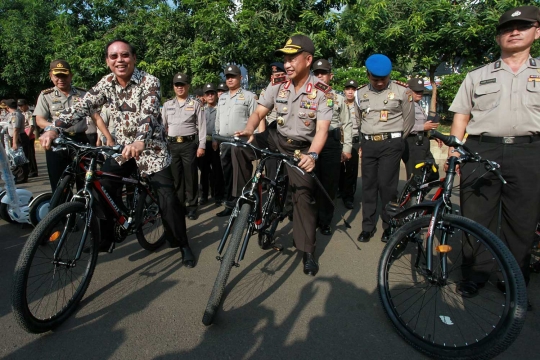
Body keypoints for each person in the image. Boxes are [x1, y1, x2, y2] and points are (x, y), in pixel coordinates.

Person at [39, 39, 196, 267]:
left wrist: (141, 141)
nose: (119, 60)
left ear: (133, 58)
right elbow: (83, 105)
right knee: (101, 189)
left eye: (124, 55)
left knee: (168, 200)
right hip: (121, 149)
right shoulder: (106, 83)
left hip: (151, 150)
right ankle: (106, 237)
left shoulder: (149, 81)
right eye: (114, 56)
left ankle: (182, 244)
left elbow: (149, 113)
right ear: (107, 61)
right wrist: (54, 128)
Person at [448, 5, 540, 302]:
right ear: (498, 37)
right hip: (481, 149)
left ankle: (512, 279)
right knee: (476, 216)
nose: (514, 32)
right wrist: (454, 152)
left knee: (522, 222)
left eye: (523, 26)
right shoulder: (477, 76)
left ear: (536, 32)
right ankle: (475, 274)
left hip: (530, 151)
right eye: (506, 29)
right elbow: (461, 116)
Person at [231, 35, 332, 276]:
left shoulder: (323, 91)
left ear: (308, 60)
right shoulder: (277, 85)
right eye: (285, 58)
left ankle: (307, 251)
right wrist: (249, 129)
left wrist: (313, 156)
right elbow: (259, 112)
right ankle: (248, 205)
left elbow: (322, 130)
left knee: (303, 197)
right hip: (276, 139)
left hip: (302, 149)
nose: (287, 64)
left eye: (292, 58)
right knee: (239, 147)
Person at [355, 54, 415, 243]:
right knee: (369, 186)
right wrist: (365, 139)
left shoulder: (402, 92)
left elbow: (409, 121)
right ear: (368, 75)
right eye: (375, 79)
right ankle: (367, 226)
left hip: (391, 144)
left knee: (387, 187)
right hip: (369, 144)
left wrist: (395, 139)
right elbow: (359, 119)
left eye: (384, 79)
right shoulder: (360, 93)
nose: (380, 83)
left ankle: (389, 225)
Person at [33, 59, 96, 191]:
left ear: (71, 75)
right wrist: (53, 129)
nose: (61, 79)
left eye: (64, 75)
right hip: (57, 141)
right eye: (57, 76)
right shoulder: (46, 96)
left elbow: (96, 117)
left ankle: (83, 209)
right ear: (51, 76)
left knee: (85, 182)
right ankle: (61, 210)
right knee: (59, 183)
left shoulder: (83, 94)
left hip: (80, 140)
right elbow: (39, 120)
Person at [311, 59, 352, 235]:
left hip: (331, 145)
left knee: (328, 184)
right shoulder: (306, 95)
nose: (320, 76)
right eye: (316, 73)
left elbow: (347, 123)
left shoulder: (338, 99)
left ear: (330, 76)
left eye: (323, 73)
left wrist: (347, 148)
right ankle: (310, 219)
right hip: (310, 143)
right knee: (310, 184)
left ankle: (325, 220)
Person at [162, 72, 206, 220]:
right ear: (174, 87)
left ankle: (192, 206)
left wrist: (202, 146)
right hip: (172, 146)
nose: (180, 88)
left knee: (191, 176)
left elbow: (202, 126)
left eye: (182, 85)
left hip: (189, 145)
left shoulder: (195, 104)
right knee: (176, 178)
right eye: (177, 85)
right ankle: (180, 205)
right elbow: (163, 127)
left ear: (188, 86)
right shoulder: (167, 105)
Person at [214, 64, 257, 217]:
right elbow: (218, 119)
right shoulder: (223, 97)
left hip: (241, 142)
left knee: (242, 175)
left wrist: (252, 139)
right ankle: (230, 205)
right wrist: (216, 136)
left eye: (233, 76)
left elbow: (255, 118)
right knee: (228, 174)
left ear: (241, 78)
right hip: (225, 141)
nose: (230, 79)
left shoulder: (249, 96)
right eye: (227, 77)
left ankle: (245, 207)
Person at [402, 78, 439, 179]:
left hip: (422, 141)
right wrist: (423, 127)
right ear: (408, 91)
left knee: (431, 172)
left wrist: (433, 134)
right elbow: (403, 126)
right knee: (415, 175)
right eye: (416, 91)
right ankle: (412, 195)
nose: (420, 93)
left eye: (421, 91)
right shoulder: (405, 106)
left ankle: (419, 194)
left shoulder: (418, 105)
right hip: (412, 142)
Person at [198, 83, 225, 205]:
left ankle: (218, 195)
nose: (210, 96)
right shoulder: (201, 109)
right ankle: (204, 195)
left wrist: (217, 140)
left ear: (216, 95)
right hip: (204, 143)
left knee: (217, 170)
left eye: (212, 93)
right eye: (207, 94)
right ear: (204, 96)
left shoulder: (221, 109)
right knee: (204, 170)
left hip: (216, 143)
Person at [339, 79, 360, 209]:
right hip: (340, 141)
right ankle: (340, 191)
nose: (350, 91)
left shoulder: (359, 106)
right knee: (339, 169)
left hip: (355, 141)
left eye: (353, 89)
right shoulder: (339, 103)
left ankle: (349, 197)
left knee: (351, 171)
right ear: (344, 91)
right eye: (348, 89)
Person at [5, 99, 30, 183]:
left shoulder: (15, 115)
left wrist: (14, 143)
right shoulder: (15, 114)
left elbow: (16, 129)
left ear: (8, 107)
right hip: (17, 137)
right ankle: (20, 176)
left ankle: (21, 177)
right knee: (18, 157)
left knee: (19, 157)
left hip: (18, 137)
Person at [18, 99, 38, 177]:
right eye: (19, 106)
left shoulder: (29, 114)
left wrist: (28, 136)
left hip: (28, 136)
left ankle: (33, 170)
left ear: (26, 105)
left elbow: (32, 126)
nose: (21, 107)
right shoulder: (21, 113)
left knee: (30, 155)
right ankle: (29, 169)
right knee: (25, 154)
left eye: (22, 105)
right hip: (23, 135)